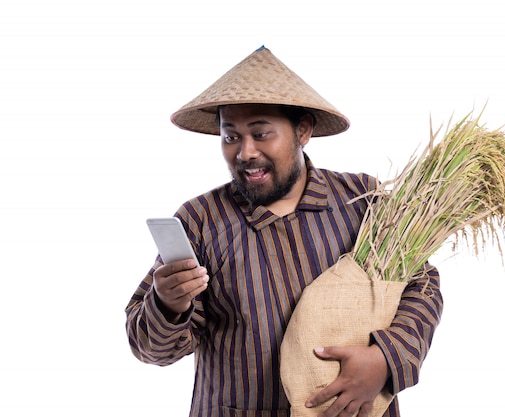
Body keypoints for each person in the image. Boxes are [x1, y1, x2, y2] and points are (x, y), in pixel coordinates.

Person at [125, 46, 443, 417]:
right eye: (231, 137)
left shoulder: (363, 200)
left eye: (261, 134)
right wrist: (168, 303)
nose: (245, 152)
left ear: (303, 130)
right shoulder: (200, 220)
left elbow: (422, 286)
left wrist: (385, 359)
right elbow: (152, 349)